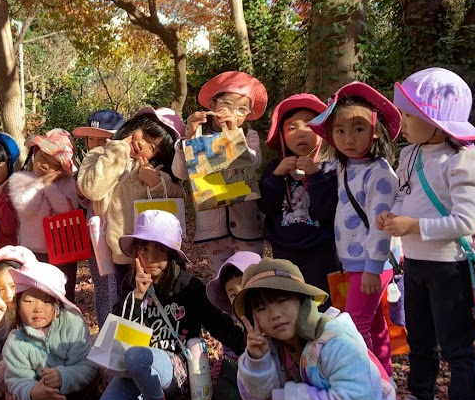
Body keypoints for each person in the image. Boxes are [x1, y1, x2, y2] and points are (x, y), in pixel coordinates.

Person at [376, 67, 475, 400]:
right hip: (417, 265)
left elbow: (466, 221)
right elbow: (402, 194)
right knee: (420, 337)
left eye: (409, 116)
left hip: (449, 267)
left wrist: (413, 224)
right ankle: (423, 399)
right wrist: (392, 216)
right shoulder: (410, 155)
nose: (402, 122)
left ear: (436, 122)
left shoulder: (465, 162)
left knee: (456, 344)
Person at [235, 259, 413, 400]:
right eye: (261, 308)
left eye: (282, 300)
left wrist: (293, 398)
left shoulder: (333, 341)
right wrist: (257, 360)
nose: (275, 314)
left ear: (302, 301)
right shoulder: (275, 345)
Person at [96, 211, 245, 400]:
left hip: (176, 367)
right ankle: (149, 399)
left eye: (161, 249)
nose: (151, 258)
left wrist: (249, 342)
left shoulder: (189, 287)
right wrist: (137, 295)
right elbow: (118, 330)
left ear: (173, 255)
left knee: (137, 356)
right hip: (135, 365)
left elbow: (219, 326)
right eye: (144, 248)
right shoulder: (130, 284)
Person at [307, 83, 401, 376]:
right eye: (340, 130)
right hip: (355, 264)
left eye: (358, 128)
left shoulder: (380, 173)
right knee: (374, 326)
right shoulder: (347, 167)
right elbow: (322, 170)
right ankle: (385, 383)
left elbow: (382, 223)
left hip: (371, 264)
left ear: (375, 130)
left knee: (355, 327)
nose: (348, 138)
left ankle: (365, 386)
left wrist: (373, 267)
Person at [76, 107, 186, 294]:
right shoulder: (100, 155)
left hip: (159, 254)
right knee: (127, 305)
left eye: (152, 146)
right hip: (122, 254)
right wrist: (116, 153)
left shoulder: (155, 169)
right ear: (135, 126)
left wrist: (155, 183)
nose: (142, 144)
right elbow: (92, 189)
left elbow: (180, 199)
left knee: (165, 301)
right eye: (145, 134)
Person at [173, 72, 268, 271]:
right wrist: (188, 138)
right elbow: (180, 173)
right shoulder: (199, 137)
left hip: (248, 225)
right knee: (223, 279)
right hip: (213, 230)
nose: (234, 112)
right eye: (227, 104)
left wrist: (233, 134)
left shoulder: (248, 135)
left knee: (250, 279)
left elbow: (254, 161)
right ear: (212, 106)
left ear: (248, 114)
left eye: (242, 109)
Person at [258, 93, 339, 299]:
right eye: (291, 128)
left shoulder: (331, 167)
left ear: (322, 132)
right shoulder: (274, 168)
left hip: (322, 251)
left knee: (321, 303)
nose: (300, 133)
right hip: (284, 251)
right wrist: (276, 178)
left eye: (309, 126)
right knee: (291, 302)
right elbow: (266, 207)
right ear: (282, 136)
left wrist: (315, 175)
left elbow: (330, 211)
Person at [1, 260, 98, 400]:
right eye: (29, 301)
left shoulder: (73, 324)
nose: (38, 308)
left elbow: (87, 366)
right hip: (40, 392)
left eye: (46, 301)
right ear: (18, 305)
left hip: (77, 390)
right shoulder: (16, 341)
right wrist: (33, 392)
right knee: (2, 372)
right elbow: (17, 379)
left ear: (58, 304)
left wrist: (62, 376)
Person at [6, 128, 82, 301]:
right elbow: (26, 208)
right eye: (42, 157)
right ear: (35, 153)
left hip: (64, 250)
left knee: (63, 294)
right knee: (33, 294)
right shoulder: (20, 179)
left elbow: (67, 210)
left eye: (53, 163)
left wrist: (50, 187)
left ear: (61, 168)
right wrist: (40, 184)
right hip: (32, 250)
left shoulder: (67, 183)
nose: (45, 165)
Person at [73, 108, 126, 327]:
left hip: (119, 232)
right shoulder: (88, 163)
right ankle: (106, 334)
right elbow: (87, 198)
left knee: (117, 285)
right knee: (102, 284)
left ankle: (120, 335)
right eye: (91, 139)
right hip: (95, 233)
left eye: (102, 139)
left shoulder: (122, 161)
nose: (95, 145)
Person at [0, 245, 37, 351]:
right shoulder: (6, 309)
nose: (8, 295)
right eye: (1, 289)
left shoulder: (38, 305)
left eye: (13, 286)